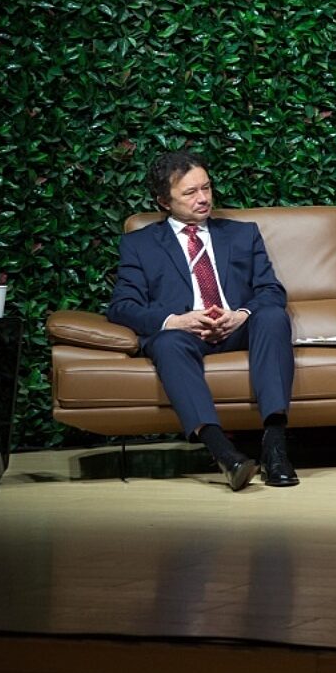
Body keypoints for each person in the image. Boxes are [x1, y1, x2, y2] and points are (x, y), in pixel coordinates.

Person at [107, 151, 298, 490]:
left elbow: (271, 290)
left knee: (272, 317)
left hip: (236, 327)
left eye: (206, 188)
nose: (203, 198)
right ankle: (224, 454)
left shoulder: (242, 234)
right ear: (164, 201)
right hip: (185, 333)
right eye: (190, 192)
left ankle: (275, 448)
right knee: (166, 343)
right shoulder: (140, 245)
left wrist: (240, 315)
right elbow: (122, 307)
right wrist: (175, 320)